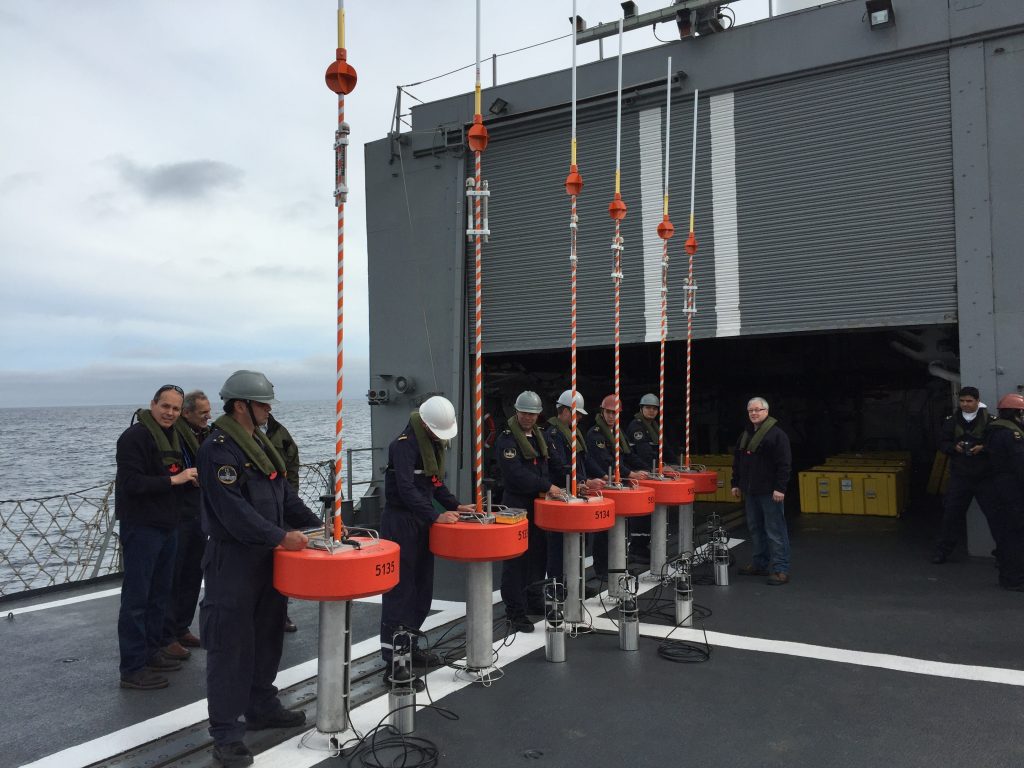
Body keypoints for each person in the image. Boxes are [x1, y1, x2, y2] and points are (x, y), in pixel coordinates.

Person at [198, 370, 322, 768]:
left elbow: (283, 495)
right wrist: (280, 536)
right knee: (230, 645)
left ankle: (261, 706)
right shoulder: (219, 449)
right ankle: (226, 734)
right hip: (233, 560)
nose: (269, 410)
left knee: (268, 635)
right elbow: (233, 511)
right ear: (241, 406)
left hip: (269, 558)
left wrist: (317, 527)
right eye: (263, 405)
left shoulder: (259, 443)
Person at [379, 395, 472, 684]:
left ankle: (411, 646)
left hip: (421, 522)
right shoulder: (404, 445)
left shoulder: (429, 444)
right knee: (401, 592)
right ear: (426, 425)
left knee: (421, 590)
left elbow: (434, 482)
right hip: (401, 523)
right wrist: (436, 515)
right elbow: (406, 488)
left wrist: (456, 505)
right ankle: (394, 664)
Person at [115, 384, 198, 690]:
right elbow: (131, 483)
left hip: (168, 525)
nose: (170, 413)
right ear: (153, 404)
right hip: (142, 526)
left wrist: (189, 480)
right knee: (137, 598)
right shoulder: (134, 437)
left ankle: (152, 652)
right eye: (165, 406)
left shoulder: (172, 436)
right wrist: (174, 479)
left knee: (159, 594)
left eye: (175, 408)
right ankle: (132, 668)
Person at [496, 391, 562, 632]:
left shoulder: (539, 436)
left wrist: (575, 480)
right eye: (524, 413)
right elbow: (516, 475)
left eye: (533, 414)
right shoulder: (507, 439)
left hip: (539, 505)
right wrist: (547, 486)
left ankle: (534, 600)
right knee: (516, 560)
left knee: (538, 555)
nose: (528, 418)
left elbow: (554, 463)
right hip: (516, 505)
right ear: (516, 412)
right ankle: (515, 611)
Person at [162, 390, 211, 656]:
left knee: (193, 573)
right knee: (173, 575)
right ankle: (166, 635)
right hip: (178, 514)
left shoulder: (205, 435)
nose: (208, 417)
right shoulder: (174, 436)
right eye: (203, 413)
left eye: (209, 412)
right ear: (188, 413)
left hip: (198, 513)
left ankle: (182, 627)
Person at [544, 390, 605, 586]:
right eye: (576, 413)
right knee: (559, 545)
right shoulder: (553, 435)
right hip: (561, 495)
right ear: (564, 411)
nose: (578, 418)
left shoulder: (573, 433)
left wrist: (597, 477)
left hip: (575, 492)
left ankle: (576, 585)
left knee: (578, 541)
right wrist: (583, 482)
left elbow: (584, 461)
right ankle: (557, 587)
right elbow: (559, 466)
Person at [585, 395, 647, 582]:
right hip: (604, 485)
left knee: (620, 528)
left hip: (617, 483)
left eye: (615, 413)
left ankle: (618, 565)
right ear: (602, 412)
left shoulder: (618, 433)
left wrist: (647, 469)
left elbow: (627, 456)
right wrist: (630, 474)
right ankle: (602, 568)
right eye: (609, 412)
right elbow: (606, 461)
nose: (612, 416)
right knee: (603, 531)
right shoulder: (595, 434)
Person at [731, 397, 792, 586]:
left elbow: (784, 464)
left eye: (758, 409)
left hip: (770, 492)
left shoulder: (777, 435)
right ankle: (759, 564)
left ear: (766, 411)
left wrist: (780, 488)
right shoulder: (745, 435)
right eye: (751, 410)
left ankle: (781, 569)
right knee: (756, 529)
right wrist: (735, 483)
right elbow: (738, 461)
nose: (754, 413)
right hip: (751, 492)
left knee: (775, 530)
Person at [932, 387, 994, 564]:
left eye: (969, 401)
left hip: (984, 477)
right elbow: (942, 442)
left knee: (995, 516)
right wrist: (954, 448)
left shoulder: (990, 421)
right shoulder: (952, 422)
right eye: (962, 401)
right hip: (960, 476)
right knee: (951, 516)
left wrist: (983, 448)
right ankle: (942, 551)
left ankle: (1003, 554)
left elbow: (997, 445)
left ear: (977, 401)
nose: (965, 404)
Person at [979, 393, 1024, 590]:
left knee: (1007, 535)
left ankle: (1009, 576)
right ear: (1017, 413)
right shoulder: (1011, 435)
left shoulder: (993, 430)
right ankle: (1014, 580)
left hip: (997, 489)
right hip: (1011, 491)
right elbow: (1019, 465)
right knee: (1016, 536)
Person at [266, 412, 301, 633]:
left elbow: (293, 465)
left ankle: (281, 614)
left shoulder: (280, 433)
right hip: (257, 512)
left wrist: (289, 497)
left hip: (279, 508)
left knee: (280, 567)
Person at [624, 393, 661, 557]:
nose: (651, 411)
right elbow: (644, 453)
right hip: (640, 474)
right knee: (640, 513)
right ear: (641, 408)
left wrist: (671, 464)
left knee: (648, 511)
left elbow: (664, 447)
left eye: (654, 408)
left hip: (648, 473)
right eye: (648, 408)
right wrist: (654, 469)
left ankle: (643, 545)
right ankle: (637, 547)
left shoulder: (654, 426)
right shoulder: (636, 427)